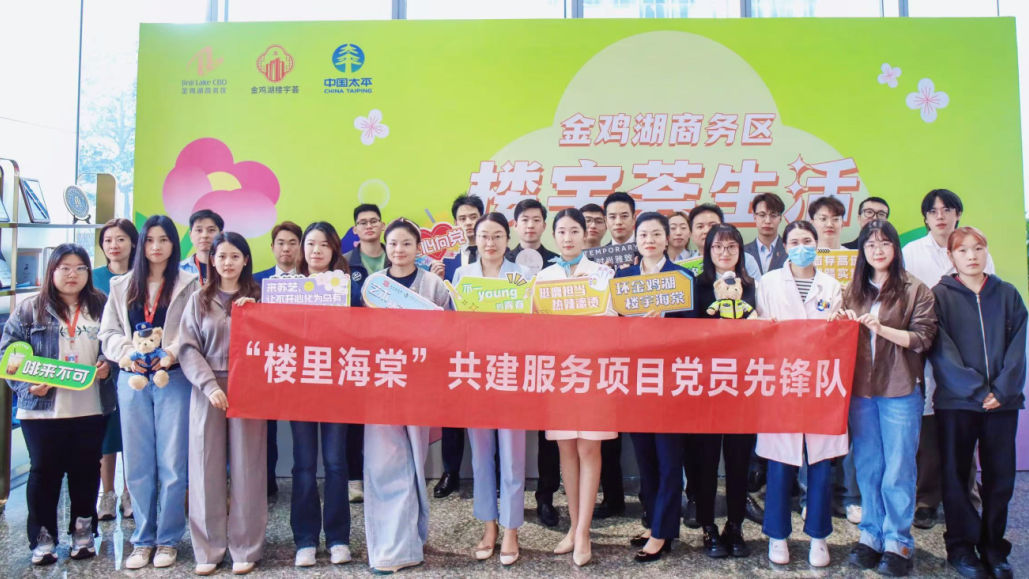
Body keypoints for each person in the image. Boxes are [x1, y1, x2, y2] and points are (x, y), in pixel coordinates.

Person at [1, 244, 114, 565]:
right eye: (64, 268)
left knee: (86, 470)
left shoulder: (102, 305)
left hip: (91, 405)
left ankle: (83, 532)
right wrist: (26, 384)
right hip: (41, 408)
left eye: (80, 268)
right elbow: (8, 354)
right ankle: (43, 538)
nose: (72, 274)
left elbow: (116, 344)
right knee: (44, 471)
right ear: (51, 271)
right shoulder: (29, 309)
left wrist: (108, 365)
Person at [836, 220, 936, 577]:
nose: (877, 250)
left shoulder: (915, 289)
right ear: (862, 251)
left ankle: (898, 541)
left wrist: (883, 329)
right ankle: (871, 535)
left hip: (900, 388)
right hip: (861, 390)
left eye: (884, 243)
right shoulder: (853, 289)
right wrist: (839, 320)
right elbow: (841, 336)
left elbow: (923, 338)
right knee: (868, 465)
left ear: (895, 247)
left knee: (898, 468)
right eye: (870, 245)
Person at [100, 215, 200, 570]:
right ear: (141, 244)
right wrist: (127, 354)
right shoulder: (122, 285)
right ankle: (142, 540)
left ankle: (168, 540)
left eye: (164, 240)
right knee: (138, 463)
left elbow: (192, 328)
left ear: (174, 244)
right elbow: (109, 332)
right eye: (151, 240)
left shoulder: (189, 283)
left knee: (172, 463)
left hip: (173, 379)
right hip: (133, 381)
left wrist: (169, 353)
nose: (156, 247)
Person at [930, 226, 1025, 579]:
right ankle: (960, 547)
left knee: (1001, 477)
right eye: (963, 250)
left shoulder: (1007, 293)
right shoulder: (939, 296)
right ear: (951, 256)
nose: (971, 255)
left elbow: (1018, 347)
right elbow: (940, 349)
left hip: (1003, 403)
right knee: (955, 476)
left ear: (986, 252)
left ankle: (993, 547)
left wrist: (1002, 390)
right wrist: (975, 389)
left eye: (978, 248)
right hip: (957, 402)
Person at [755, 220, 846, 568]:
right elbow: (760, 329)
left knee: (821, 462)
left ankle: (819, 537)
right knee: (780, 462)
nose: (801, 247)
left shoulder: (831, 284)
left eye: (807, 240)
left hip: (821, 383)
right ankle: (777, 535)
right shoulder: (768, 282)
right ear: (785, 246)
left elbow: (837, 333)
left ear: (816, 244)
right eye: (794, 241)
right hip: (782, 381)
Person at [364, 219, 451, 574]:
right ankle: (389, 549)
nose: (399, 250)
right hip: (382, 382)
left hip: (419, 383)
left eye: (406, 243)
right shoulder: (374, 285)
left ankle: (414, 538)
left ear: (418, 247)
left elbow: (448, 332)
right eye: (393, 244)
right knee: (383, 463)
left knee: (415, 465)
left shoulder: (433, 285)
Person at [903, 189, 994, 530]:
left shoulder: (976, 249)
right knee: (927, 427)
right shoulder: (912, 252)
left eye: (947, 209)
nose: (940, 216)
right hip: (927, 348)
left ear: (958, 213)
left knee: (965, 423)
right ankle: (926, 501)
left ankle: (967, 497)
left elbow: (988, 297)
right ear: (925, 218)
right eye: (933, 211)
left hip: (967, 351)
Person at [179, 232, 267, 576]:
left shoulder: (261, 296)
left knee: (248, 466)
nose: (227, 262)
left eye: (234, 256)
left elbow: (279, 342)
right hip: (207, 388)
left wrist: (256, 315)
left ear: (246, 260)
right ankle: (208, 549)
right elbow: (187, 347)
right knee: (205, 466)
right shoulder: (198, 298)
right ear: (211, 261)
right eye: (221, 256)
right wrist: (207, 384)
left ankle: (246, 547)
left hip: (250, 388)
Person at [537, 208, 617, 567]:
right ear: (554, 236)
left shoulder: (603, 274)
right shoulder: (544, 277)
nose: (568, 238)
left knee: (589, 448)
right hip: (559, 373)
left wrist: (587, 304)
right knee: (566, 449)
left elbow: (612, 322)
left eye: (574, 231)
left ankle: (583, 532)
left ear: (586, 234)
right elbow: (536, 327)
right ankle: (573, 526)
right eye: (562, 232)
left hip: (593, 372)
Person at [614, 212, 693, 563]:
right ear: (636, 239)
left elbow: (693, 333)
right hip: (635, 380)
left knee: (669, 459)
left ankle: (663, 532)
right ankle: (652, 521)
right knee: (645, 456)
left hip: (670, 381)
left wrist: (665, 325)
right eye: (644, 234)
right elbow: (615, 331)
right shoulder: (623, 278)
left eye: (656, 234)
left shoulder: (682, 278)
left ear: (667, 239)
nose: (649, 240)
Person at [452, 213, 529, 567]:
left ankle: (511, 529)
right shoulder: (463, 276)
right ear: (475, 238)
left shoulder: (521, 275)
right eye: (484, 235)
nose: (490, 242)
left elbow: (532, 326)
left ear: (507, 239)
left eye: (497, 235)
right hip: (475, 374)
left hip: (512, 373)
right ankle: (489, 526)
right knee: (481, 456)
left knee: (512, 456)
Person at [692, 224, 757, 560]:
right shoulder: (696, 286)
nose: (725, 252)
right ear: (708, 251)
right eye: (718, 246)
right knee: (704, 460)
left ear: (740, 251)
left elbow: (761, 330)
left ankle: (735, 525)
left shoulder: (752, 286)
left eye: (732, 246)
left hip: (742, 385)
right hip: (704, 385)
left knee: (738, 459)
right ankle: (707, 525)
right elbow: (686, 334)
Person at [290, 222, 353, 568]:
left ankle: (339, 538)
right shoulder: (286, 287)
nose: (316, 251)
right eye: (311, 244)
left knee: (335, 463)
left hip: (336, 386)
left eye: (324, 245)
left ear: (334, 251)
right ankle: (305, 540)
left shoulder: (346, 287)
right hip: (298, 386)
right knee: (303, 465)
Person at [505, 199, 561, 528]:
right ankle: (505, 497)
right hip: (509, 359)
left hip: (549, 357)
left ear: (544, 225)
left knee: (547, 433)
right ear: (515, 225)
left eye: (536, 219)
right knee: (505, 430)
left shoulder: (557, 263)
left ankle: (546, 497)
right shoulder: (502, 261)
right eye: (524, 219)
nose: (530, 225)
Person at [807, 195, 861, 524]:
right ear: (813, 222)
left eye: (836, 218)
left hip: (849, 353)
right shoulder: (802, 258)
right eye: (823, 218)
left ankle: (850, 496)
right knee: (810, 429)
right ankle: (811, 496)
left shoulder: (857, 260)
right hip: (810, 356)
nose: (829, 224)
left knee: (850, 428)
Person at [431, 193, 483, 499]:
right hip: (451, 347)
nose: (468, 223)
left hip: (488, 348)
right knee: (451, 413)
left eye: (473, 216)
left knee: (486, 412)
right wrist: (435, 279)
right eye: (462, 218)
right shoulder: (444, 262)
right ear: (454, 224)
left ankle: (488, 471)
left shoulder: (501, 255)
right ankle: (450, 471)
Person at [92, 218, 138, 522]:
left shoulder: (142, 276)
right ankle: (107, 494)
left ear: (133, 243)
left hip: (135, 363)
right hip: (100, 364)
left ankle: (129, 492)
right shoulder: (93, 277)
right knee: (106, 432)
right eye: (108, 240)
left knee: (131, 431)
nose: (114, 245)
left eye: (121, 239)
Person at [252, 220, 302, 497]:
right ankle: (267, 481)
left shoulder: (313, 282)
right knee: (265, 429)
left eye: (292, 243)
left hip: (303, 364)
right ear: (272, 247)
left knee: (302, 428)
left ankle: (301, 481)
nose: (286, 248)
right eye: (281, 243)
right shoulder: (255, 281)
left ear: (300, 248)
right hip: (267, 365)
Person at [342, 205, 388, 504]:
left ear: (383, 225)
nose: (369, 226)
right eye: (362, 222)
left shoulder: (398, 256)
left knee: (386, 418)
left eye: (374, 221)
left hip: (392, 352)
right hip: (355, 351)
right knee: (355, 419)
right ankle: (354, 478)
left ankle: (384, 476)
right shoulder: (344, 263)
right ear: (355, 230)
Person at [595, 191, 636, 519]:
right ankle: (612, 497)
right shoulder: (595, 261)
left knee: (648, 431)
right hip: (607, 354)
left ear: (634, 217)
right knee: (608, 432)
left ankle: (655, 502)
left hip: (644, 355)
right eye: (612, 217)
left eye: (624, 215)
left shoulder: (648, 250)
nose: (618, 222)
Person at [686, 204, 763, 281]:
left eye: (713, 226)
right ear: (691, 234)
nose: (706, 231)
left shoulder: (747, 260)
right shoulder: (687, 267)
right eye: (700, 227)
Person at [744, 193, 787, 275]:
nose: (767, 221)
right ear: (754, 217)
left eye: (773, 215)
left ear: (780, 218)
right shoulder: (743, 252)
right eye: (762, 215)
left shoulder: (789, 250)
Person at [179, 209, 223, 284]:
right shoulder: (179, 270)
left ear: (221, 235)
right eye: (199, 230)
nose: (204, 235)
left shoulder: (228, 268)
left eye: (211, 230)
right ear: (190, 235)